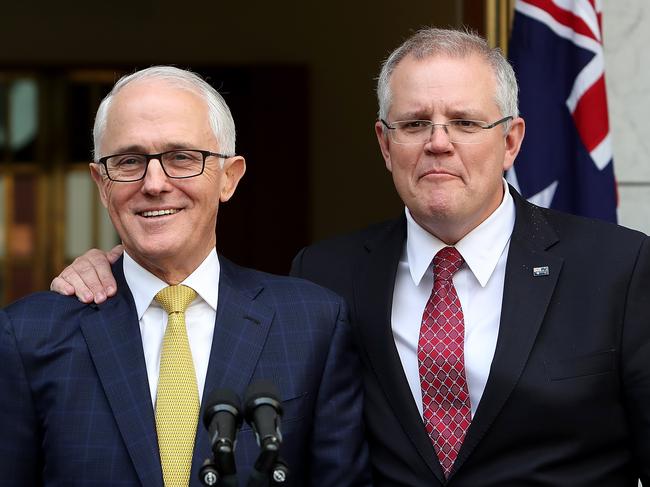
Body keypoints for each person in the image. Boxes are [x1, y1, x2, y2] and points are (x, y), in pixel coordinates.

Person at [50, 29, 650, 486]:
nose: (438, 142)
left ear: (511, 140)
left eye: (464, 122)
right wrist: (123, 267)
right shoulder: (325, 277)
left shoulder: (618, 270)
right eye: (415, 123)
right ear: (385, 145)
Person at [0, 66, 370, 487]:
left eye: (182, 158)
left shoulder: (313, 323)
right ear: (101, 185)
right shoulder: (28, 335)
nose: (154, 183)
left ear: (229, 177)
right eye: (128, 161)